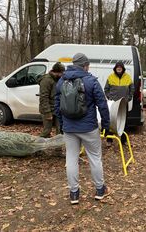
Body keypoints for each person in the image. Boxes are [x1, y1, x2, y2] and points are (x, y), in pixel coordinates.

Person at [55, 53, 111, 205]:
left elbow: (57, 106)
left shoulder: (61, 81)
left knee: (71, 159)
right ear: (85, 65)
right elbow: (102, 105)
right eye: (88, 65)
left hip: (69, 128)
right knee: (94, 158)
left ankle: (74, 194)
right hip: (89, 128)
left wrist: (62, 124)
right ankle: (100, 190)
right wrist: (106, 125)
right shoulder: (91, 81)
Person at [104, 61, 134, 146]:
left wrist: (128, 98)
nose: (119, 68)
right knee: (111, 122)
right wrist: (109, 98)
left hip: (123, 104)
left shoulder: (128, 77)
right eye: (117, 67)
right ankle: (109, 141)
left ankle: (123, 141)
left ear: (123, 68)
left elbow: (132, 89)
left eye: (120, 67)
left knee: (124, 122)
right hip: (113, 104)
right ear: (115, 68)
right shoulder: (110, 77)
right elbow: (106, 89)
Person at [39, 62, 65, 138]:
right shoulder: (46, 80)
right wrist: (48, 113)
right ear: (57, 72)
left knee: (60, 130)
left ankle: (58, 149)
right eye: (62, 73)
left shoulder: (58, 79)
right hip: (47, 109)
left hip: (57, 109)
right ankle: (37, 148)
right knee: (47, 131)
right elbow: (43, 97)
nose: (63, 75)